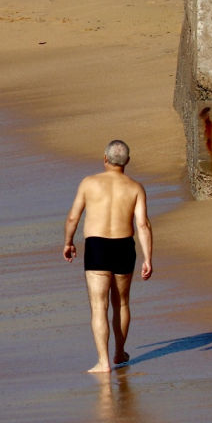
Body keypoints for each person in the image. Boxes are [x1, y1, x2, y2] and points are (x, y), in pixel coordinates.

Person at [62, 139, 153, 373]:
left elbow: (73, 217)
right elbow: (143, 225)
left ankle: (103, 362)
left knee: (98, 306)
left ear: (105, 158)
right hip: (124, 246)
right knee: (121, 303)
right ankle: (119, 352)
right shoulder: (135, 187)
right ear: (128, 162)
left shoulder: (89, 183)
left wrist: (68, 242)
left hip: (97, 246)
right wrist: (147, 258)